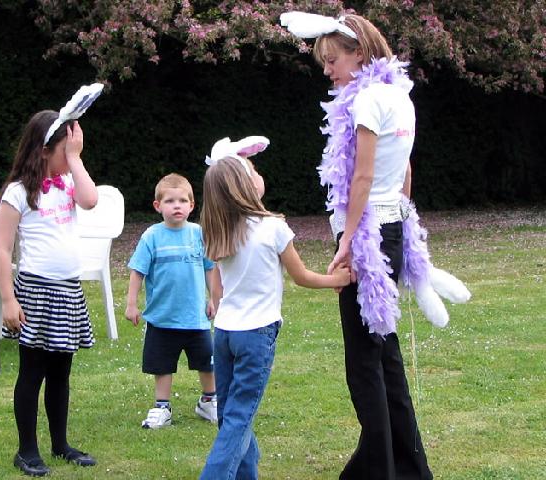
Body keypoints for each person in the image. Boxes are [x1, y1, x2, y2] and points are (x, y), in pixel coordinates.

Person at [281, 11, 437, 479]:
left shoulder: (367, 99)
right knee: (384, 355)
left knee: (364, 364)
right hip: (389, 227)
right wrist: (401, 216)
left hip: (368, 236)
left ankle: (378, 471)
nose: (328, 71)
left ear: (360, 52)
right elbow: (405, 171)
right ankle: (408, 469)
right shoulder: (399, 95)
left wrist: (348, 240)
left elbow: (362, 177)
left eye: (333, 60)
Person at [199, 154, 351, 479]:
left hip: (223, 333)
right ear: (244, 186)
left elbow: (217, 286)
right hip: (256, 336)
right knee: (239, 418)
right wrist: (337, 280)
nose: (258, 174)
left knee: (231, 417)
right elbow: (301, 277)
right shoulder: (273, 228)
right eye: (252, 170)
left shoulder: (218, 231)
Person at [0, 106, 99, 476]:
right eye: (63, 152)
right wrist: (9, 300)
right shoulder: (18, 193)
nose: (70, 159)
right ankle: (26, 450)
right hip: (36, 292)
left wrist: (75, 158)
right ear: (42, 151)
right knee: (32, 373)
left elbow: (91, 200)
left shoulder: (69, 183)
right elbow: (2, 250)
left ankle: (60, 444)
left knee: (60, 373)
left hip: (67, 291)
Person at [125, 173, 218, 429]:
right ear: (158, 206)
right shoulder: (152, 236)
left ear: (192, 205)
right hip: (162, 318)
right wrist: (131, 304)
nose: (177, 206)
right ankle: (162, 407)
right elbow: (138, 271)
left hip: (196, 318)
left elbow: (210, 269)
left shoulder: (199, 234)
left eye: (182, 201)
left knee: (207, 361)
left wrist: (213, 298)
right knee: (162, 365)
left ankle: (209, 401)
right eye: (169, 201)